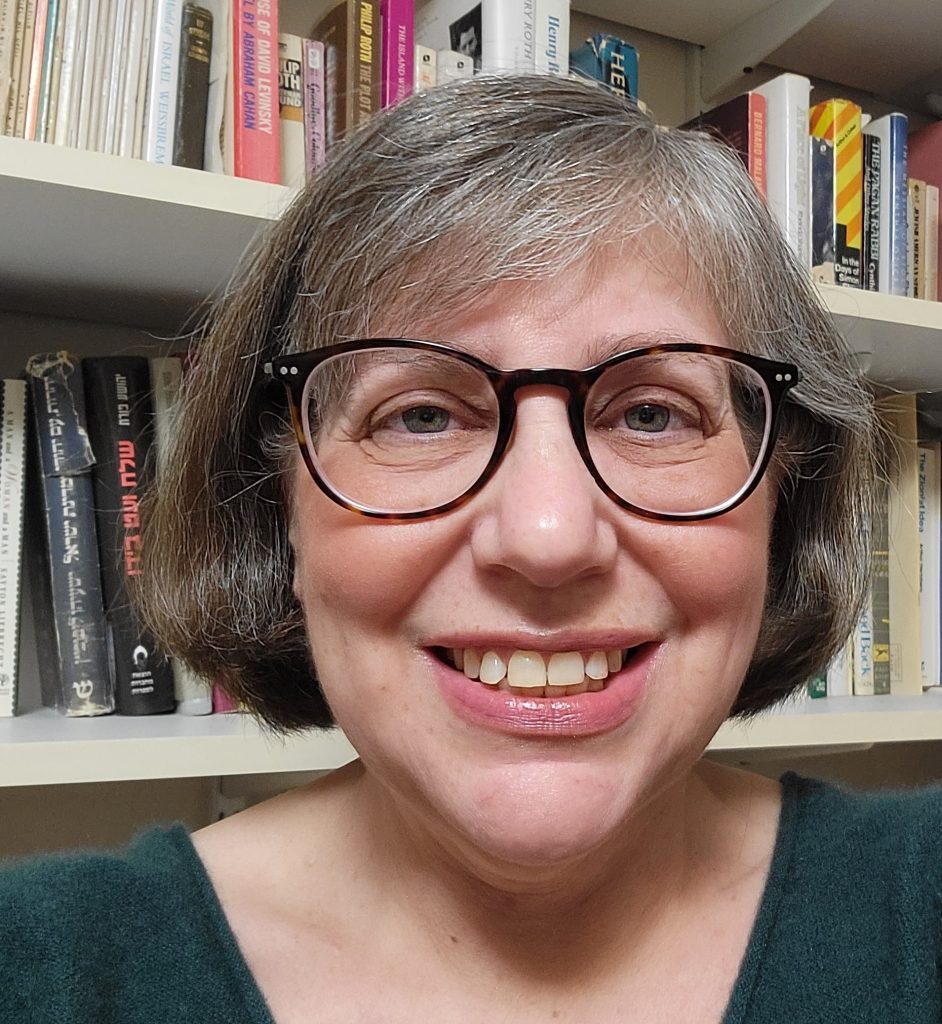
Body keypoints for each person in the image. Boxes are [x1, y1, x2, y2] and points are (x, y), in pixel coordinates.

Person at [3, 73, 941, 1024]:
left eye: (653, 414)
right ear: (275, 507)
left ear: (786, 497)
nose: (547, 537)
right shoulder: (42, 969)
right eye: (418, 416)